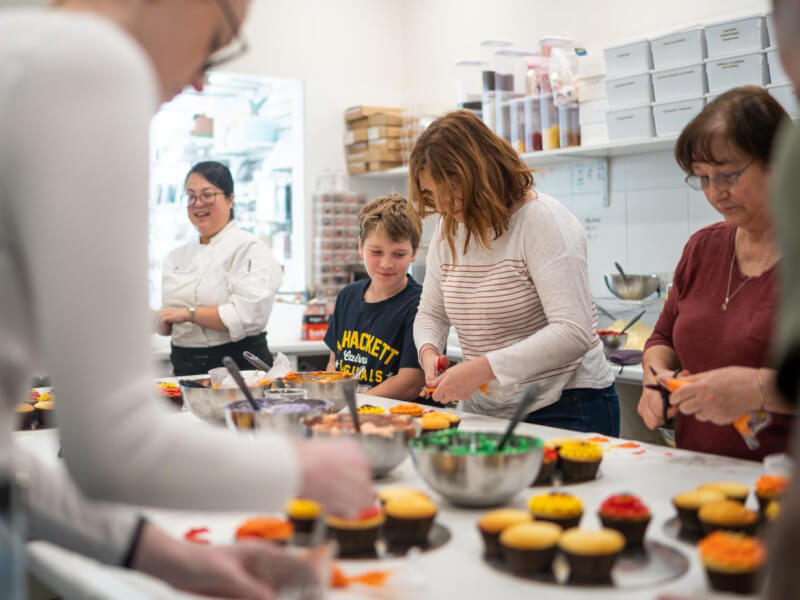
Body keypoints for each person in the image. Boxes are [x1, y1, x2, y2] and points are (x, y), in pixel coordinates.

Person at [0, 0, 373, 588]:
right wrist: (301, 466)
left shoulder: (18, 52)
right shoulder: (86, 62)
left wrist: (177, 560)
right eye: (217, 40)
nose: (202, 78)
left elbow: (7, 470)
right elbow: (114, 449)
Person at [410, 110, 618, 435]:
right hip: (489, 410)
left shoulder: (541, 221)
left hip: (567, 403)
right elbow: (431, 314)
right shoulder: (449, 229)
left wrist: (482, 369)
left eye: (451, 193)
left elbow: (573, 331)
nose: (445, 207)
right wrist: (428, 352)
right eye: (433, 196)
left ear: (481, 171)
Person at [637, 87, 794, 460]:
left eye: (727, 175)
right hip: (702, 473)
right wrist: (655, 377)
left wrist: (758, 388)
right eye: (702, 178)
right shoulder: (703, 248)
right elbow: (662, 338)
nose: (714, 193)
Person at [159, 161, 282, 376]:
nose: (198, 203)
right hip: (185, 366)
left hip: (238, 367)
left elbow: (247, 316)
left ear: (230, 199)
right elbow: (170, 323)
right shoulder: (175, 256)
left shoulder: (248, 248)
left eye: (207, 195)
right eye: (191, 196)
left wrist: (188, 314)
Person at [324, 194, 425, 401]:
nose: (386, 263)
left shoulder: (421, 304)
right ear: (360, 246)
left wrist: (354, 405)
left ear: (414, 252)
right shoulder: (347, 296)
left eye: (398, 254)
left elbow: (411, 382)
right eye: (376, 252)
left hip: (398, 421)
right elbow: (334, 364)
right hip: (349, 416)